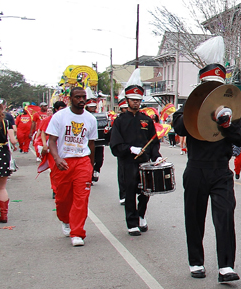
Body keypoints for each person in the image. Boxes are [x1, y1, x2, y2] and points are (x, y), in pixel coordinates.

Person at [172, 63, 241, 282]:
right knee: (194, 218)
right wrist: (199, 110)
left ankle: (226, 266)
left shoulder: (231, 109)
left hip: (220, 170)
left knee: (225, 216)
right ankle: (196, 262)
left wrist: (226, 122)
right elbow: (179, 127)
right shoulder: (189, 105)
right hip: (196, 168)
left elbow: (239, 137)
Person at [110, 71, 161, 236]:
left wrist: (156, 156)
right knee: (131, 192)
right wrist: (130, 149)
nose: (136, 103)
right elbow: (115, 144)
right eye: (133, 100)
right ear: (127, 101)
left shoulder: (146, 120)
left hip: (145, 161)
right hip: (129, 162)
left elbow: (153, 140)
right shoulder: (120, 121)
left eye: (139, 100)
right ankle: (131, 223)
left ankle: (141, 215)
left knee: (146, 191)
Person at [45, 86, 98, 245]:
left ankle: (77, 233)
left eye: (84, 97)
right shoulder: (59, 117)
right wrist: (56, 158)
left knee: (81, 198)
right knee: (62, 199)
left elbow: (92, 144)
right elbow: (52, 141)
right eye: (78, 97)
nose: (82, 100)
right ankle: (65, 220)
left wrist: (91, 165)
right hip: (63, 162)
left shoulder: (90, 119)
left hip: (82, 162)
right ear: (70, 98)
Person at [0, 93, 20, 223]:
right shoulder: (6, 122)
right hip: (1, 154)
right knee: (1, 187)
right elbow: (13, 140)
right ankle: (3, 215)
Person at [85, 91, 107, 183]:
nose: (93, 108)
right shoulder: (84, 116)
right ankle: (89, 175)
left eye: (94, 106)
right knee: (88, 159)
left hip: (98, 141)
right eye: (91, 106)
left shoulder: (99, 115)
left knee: (99, 159)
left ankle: (96, 170)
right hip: (87, 142)